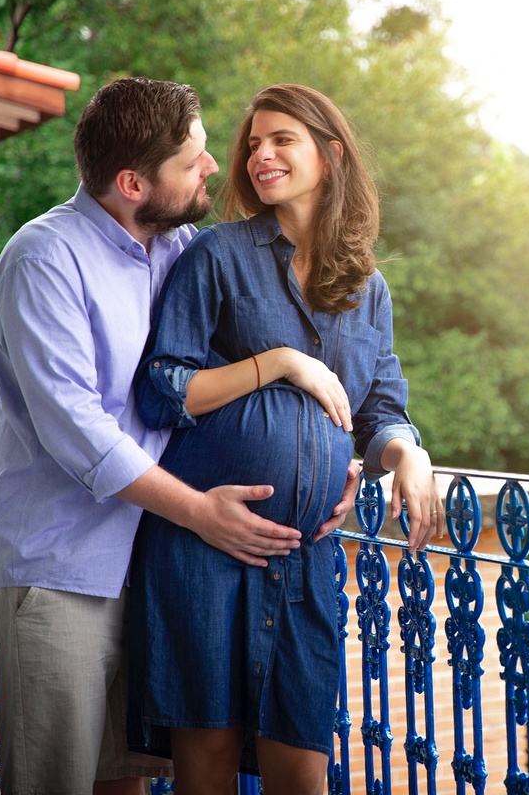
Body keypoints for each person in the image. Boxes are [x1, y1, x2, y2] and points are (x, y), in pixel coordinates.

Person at [0, 78, 348, 795]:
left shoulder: (179, 248)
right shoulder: (44, 260)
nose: (216, 168)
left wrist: (332, 462)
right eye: (194, 161)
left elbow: (227, 378)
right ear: (131, 183)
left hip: (156, 568)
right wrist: (201, 513)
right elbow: (79, 431)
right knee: (58, 780)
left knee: (128, 783)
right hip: (65, 573)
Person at [126, 83, 441, 793]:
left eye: (282, 140)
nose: (261, 154)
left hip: (303, 562)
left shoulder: (369, 288)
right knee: (205, 761)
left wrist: (409, 456)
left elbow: (380, 413)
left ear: (330, 156)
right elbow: (161, 388)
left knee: (302, 766)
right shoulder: (217, 256)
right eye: (253, 144)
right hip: (204, 545)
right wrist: (281, 365)